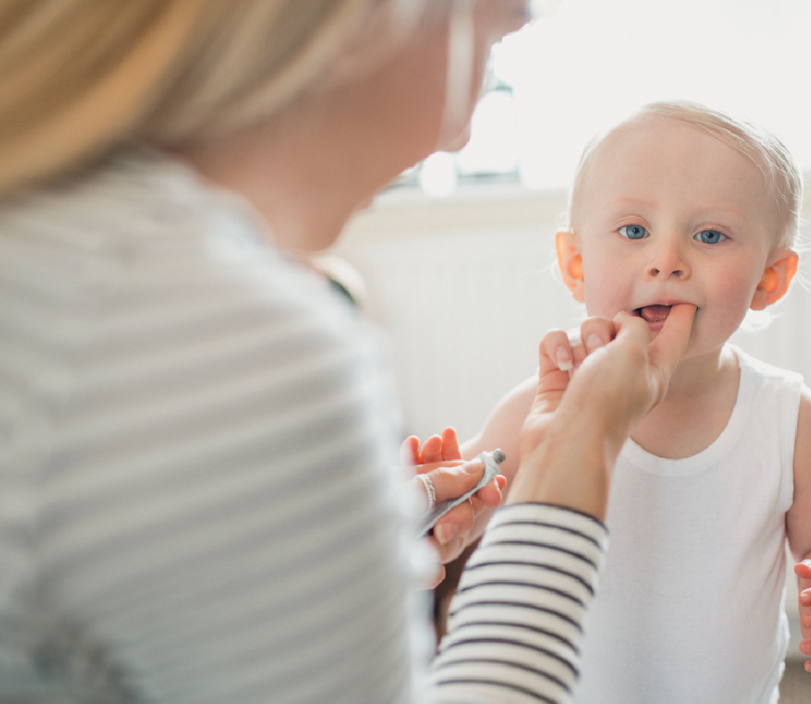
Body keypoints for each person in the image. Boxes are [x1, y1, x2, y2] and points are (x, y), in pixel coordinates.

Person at [0, 2, 696, 702]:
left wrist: (328, 552)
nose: (463, 131)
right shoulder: (227, 336)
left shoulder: (57, 260)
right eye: (491, 35)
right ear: (369, 22)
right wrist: (575, 460)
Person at [422, 101, 811, 703]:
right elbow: (480, 505)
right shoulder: (544, 410)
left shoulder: (786, 417)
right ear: (577, 264)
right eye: (634, 231)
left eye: (710, 235)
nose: (667, 260)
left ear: (770, 279)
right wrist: (444, 507)